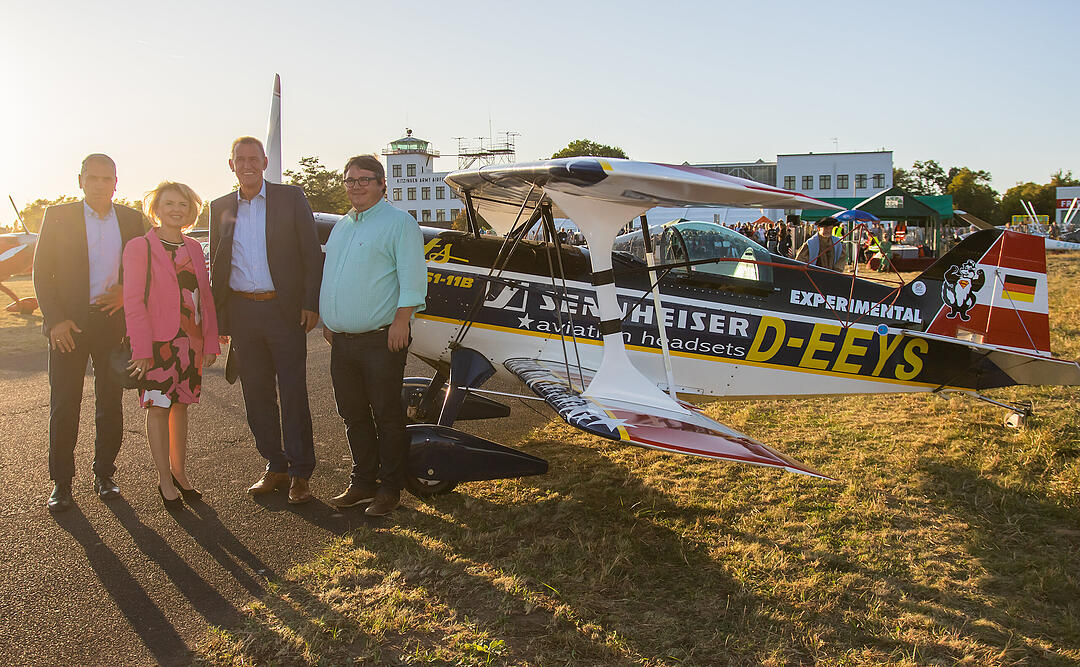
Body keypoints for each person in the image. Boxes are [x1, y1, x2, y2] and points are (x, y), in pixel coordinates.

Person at [208, 137, 322, 504]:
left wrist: (309, 302)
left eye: (253, 159)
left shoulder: (291, 198)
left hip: (284, 311)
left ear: (265, 162)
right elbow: (220, 264)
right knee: (255, 393)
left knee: (292, 392)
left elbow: (310, 252)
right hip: (243, 313)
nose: (247, 164)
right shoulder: (220, 207)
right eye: (240, 159)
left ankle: (301, 473)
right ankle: (275, 465)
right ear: (231, 165)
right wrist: (221, 319)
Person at [34, 154, 146, 512]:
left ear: (116, 182)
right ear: (80, 180)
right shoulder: (58, 216)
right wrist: (55, 320)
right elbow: (42, 274)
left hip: (112, 323)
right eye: (93, 178)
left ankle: (105, 474)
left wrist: (125, 289)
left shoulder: (132, 219)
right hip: (69, 325)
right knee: (65, 403)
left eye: (106, 178)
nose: (100, 184)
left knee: (110, 403)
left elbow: (144, 269)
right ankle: (61, 483)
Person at [321, 155, 427, 516]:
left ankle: (390, 487)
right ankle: (363, 482)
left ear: (383, 183)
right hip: (342, 340)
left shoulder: (399, 223)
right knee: (352, 413)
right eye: (350, 180)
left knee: (386, 415)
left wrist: (402, 321)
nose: (356, 186)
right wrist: (329, 319)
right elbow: (333, 275)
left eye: (364, 179)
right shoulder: (342, 226)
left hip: (383, 337)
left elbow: (413, 277)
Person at [124, 182, 220, 505]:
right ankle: (163, 479)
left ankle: (180, 472)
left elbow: (204, 297)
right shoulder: (140, 247)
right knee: (158, 407)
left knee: (181, 407)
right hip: (156, 345)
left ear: (191, 210)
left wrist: (209, 342)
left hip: (190, 342)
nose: (176, 209)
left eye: (182, 204)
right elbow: (133, 302)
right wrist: (141, 350)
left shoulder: (194, 248)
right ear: (156, 208)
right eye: (169, 204)